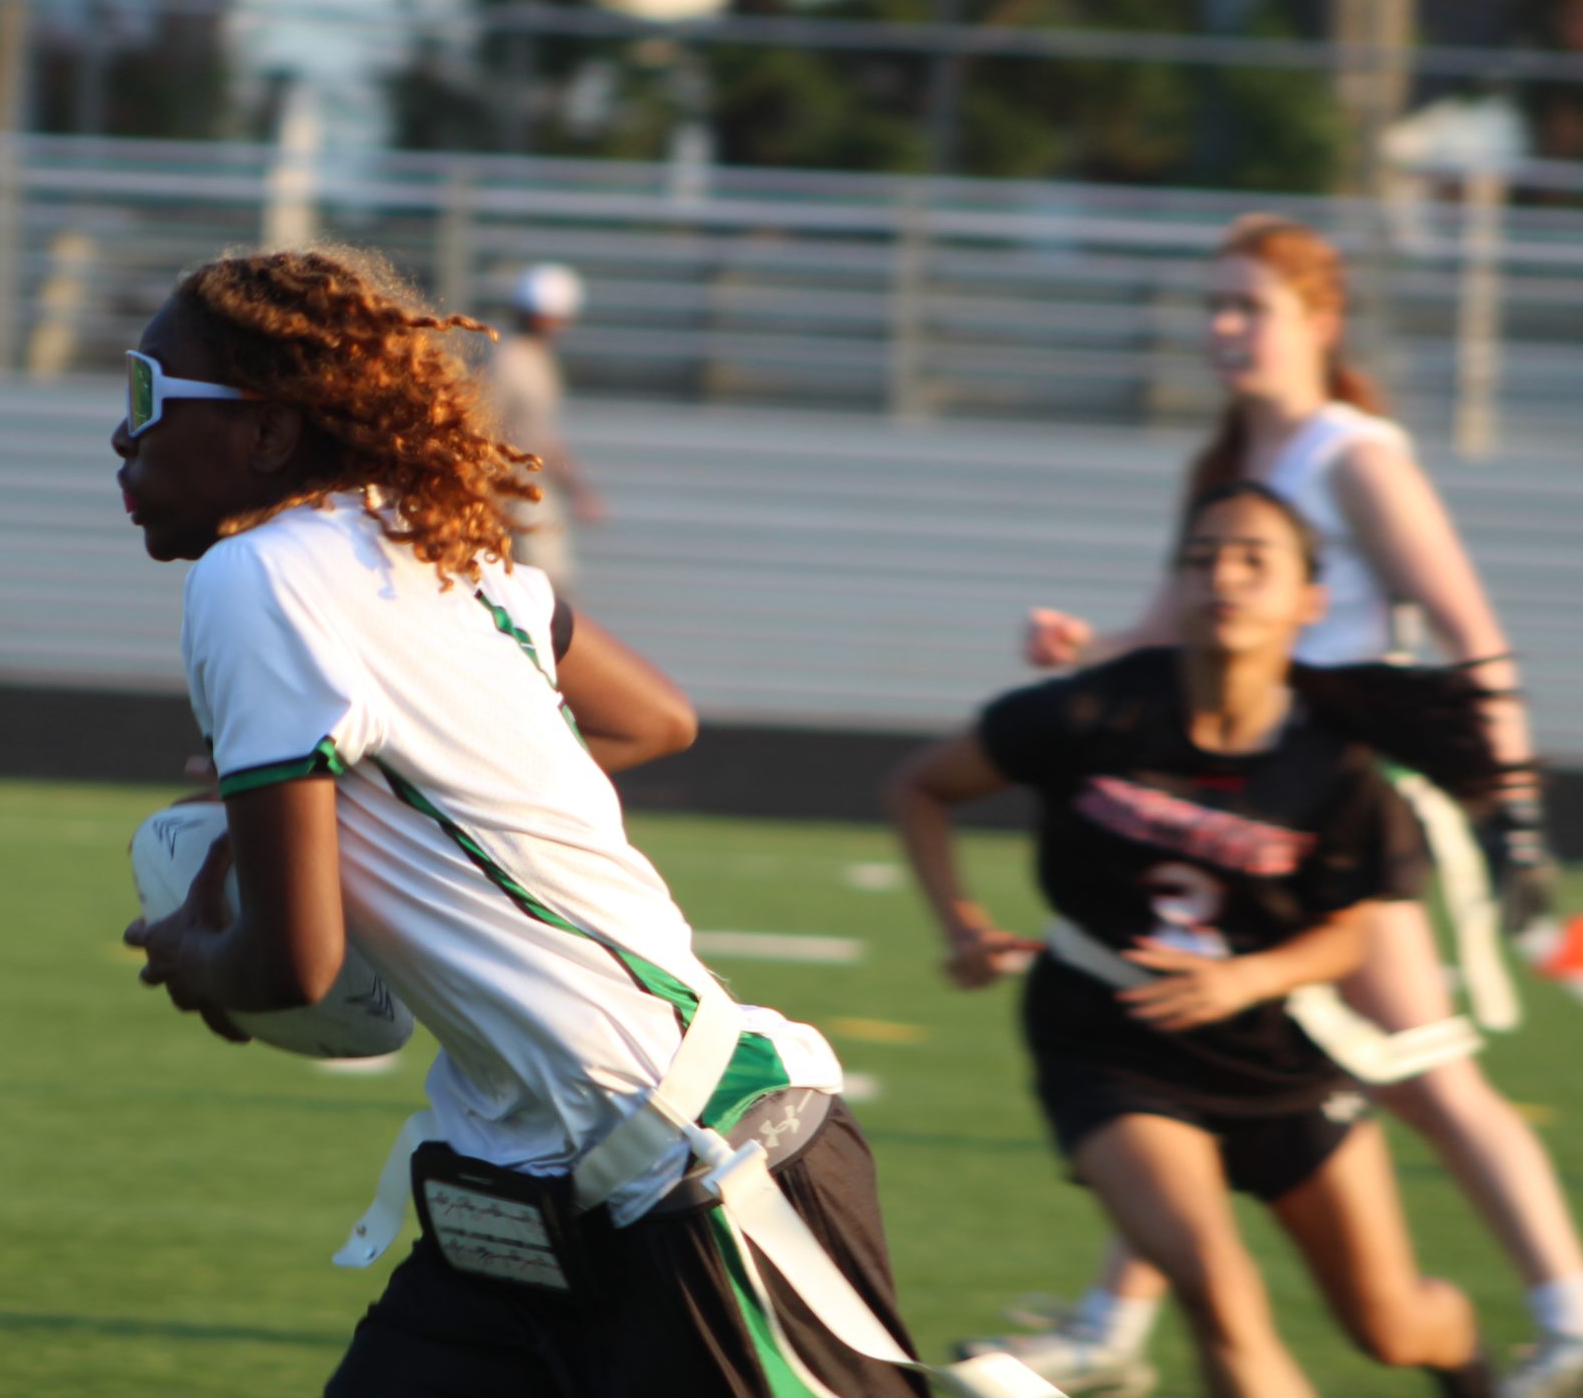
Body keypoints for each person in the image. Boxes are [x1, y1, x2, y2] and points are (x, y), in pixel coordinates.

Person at [114, 245, 992, 1398]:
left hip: (683, 1161)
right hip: (514, 1178)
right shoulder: (432, 546)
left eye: (146, 395)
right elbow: (656, 719)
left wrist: (196, 958)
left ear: (270, 434)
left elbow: (291, 961)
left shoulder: (255, 577)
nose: (122, 437)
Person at [985, 216, 1583, 1398]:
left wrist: (1519, 813)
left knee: (1426, 1074)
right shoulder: (1238, 456)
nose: (1221, 330)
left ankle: (1582, 1327)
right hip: (1251, 819)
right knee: (1184, 1056)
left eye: (1249, 307)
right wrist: (1086, 646)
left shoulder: (1352, 455)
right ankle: (1106, 1329)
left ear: (1319, 321)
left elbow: (1470, 635)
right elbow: (1170, 625)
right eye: (1212, 307)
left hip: (1346, 822)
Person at [888, 480, 1505, 1398]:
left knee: (1390, 1323)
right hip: (1110, 1039)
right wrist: (961, 923)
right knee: (1217, 1288)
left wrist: (1250, 977)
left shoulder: (1334, 757)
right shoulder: (1095, 709)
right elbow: (920, 786)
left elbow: (1354, 936)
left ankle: (1469, 1365)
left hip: (1274, 1050)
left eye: (1257, 558)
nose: (1226, 573)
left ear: (1309, 599)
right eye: (1204, 554)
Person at [483, 262, 607, 591]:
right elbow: (486, 425)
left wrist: (575, 488)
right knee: (544, 584)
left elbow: (542, 435)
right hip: (513, 488)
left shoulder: (534, 358)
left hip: (530, 487)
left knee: (541, 583)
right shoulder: (511, 360)